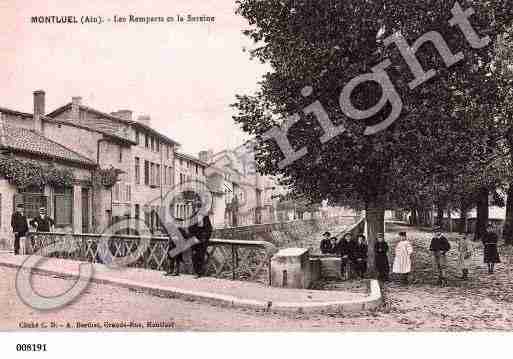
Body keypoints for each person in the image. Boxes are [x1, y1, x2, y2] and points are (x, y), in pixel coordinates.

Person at [188, 205, 213, 278]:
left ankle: (200, 272)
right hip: (194, 240)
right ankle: (196, 272)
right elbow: (189, 229)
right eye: (197, 208)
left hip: (202, 240)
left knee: (201, 256)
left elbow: (209, 229)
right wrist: (193, 238)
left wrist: (205, 238)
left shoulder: (205, 217)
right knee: (194, 256)